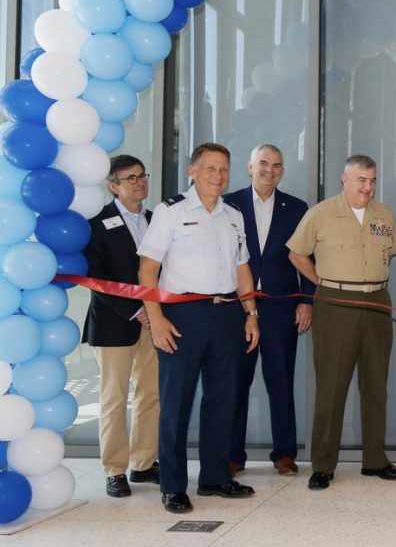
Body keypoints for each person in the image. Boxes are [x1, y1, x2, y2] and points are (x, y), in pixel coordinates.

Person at [138, 143, 260, 514]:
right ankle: (173, 486)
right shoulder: (170, 212)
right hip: (182, 315)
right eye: (210, 168)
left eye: (223, 169)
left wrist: (251, 313)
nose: (218, 176)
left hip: (227, 314)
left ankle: (215, 477)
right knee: (176, 402)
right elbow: (147, 270)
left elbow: (242, 269)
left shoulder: (233, 214)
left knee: (223, 399)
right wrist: (156, 319)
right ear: (193, 171)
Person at [287, 154, 396, 490]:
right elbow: (296, 253)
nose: (367, 187)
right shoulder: (321, 214)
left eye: (372, 180)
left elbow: (394, 248)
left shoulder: (384, 214)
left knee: (375, 383)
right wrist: (321, 281)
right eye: (361, 180)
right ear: (345, 179)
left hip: (378, 300)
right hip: (336, 301)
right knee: (332, 385)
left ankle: (375, 459)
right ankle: (323, 464)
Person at [223, 145, 314, 478]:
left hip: (281, 308)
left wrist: (307, 300)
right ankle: (233, 454)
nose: (269, 170)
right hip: (237, 308)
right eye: (263, 163)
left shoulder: (297, 208)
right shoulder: (227, 204)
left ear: (282, 170)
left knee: (280, 382)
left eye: (277, 165)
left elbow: (309, 259)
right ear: (250, 167)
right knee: (236, 383)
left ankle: (285, 453)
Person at [82, 154, 160, 498]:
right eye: (130, 178)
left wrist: (153, 312)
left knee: (150, 394)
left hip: (154, 322)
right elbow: (96, 278)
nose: (139, 182)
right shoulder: (97, 222)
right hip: (114, 323)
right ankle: (114, 470)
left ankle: (143, 463)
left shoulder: (158, 219)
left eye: (142, 176)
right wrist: (135, 311)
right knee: (113, 398)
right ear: (112, 185)